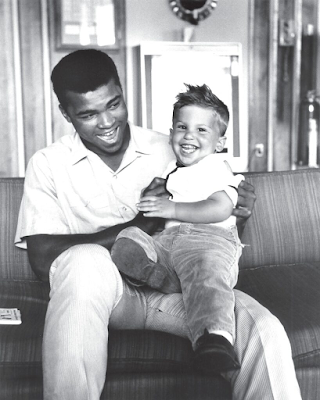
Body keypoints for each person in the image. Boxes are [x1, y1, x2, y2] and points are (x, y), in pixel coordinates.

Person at [14, 49, 301, 400]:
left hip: (178, 289)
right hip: (106, 294)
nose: (106, 122)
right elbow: (43, 259)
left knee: (262, 328)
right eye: (88, 114)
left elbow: (209, 236)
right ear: (65, 113)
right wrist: (140, 222)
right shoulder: (48, 164)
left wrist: (236, 208)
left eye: (114, 104)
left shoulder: (172, 147)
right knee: (83, 259)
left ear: (122, 91)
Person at [111, 84, 244, 374]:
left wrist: (172, 209)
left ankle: (215, 339)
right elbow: (165, 197)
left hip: (210, 241)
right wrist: (154, 198)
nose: (189, 136)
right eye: (182, 127)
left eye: (201, 130)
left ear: (220, 142)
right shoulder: (174, 168)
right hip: (171, 241)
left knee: (206, 273)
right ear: (171, 132)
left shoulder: (217, 167)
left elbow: (221, 207)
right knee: (129, 240)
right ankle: (167, 278)